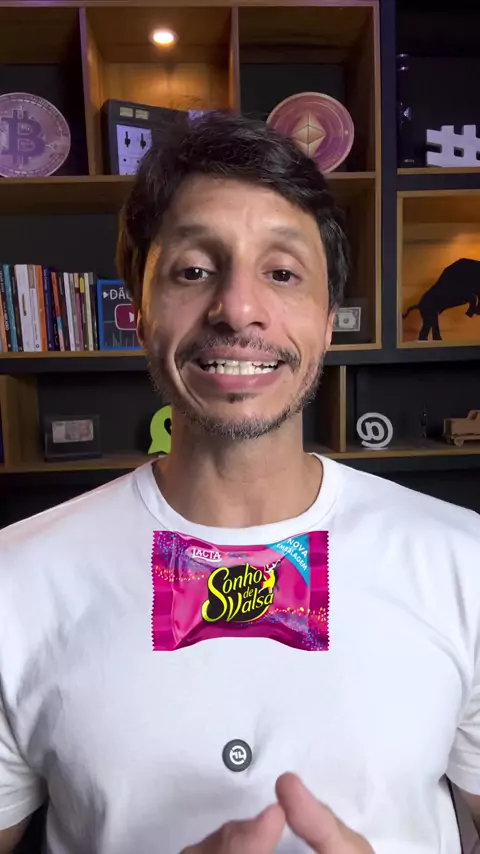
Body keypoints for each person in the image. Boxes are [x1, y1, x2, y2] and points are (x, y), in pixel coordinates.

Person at [0, 112, 479, 854]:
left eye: (282, 274)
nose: (238, 309)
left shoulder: (465, 563)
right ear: (139, 312)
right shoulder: (15, 581)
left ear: (328, 321)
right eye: (194, 271)